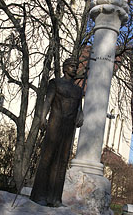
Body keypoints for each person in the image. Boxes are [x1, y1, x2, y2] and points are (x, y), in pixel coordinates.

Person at [30, 58, 83, 207]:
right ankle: (39, 195)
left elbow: (79, 108)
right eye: (72, 66)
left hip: (69, 127)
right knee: (48, 157)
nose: (75, 69)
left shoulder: (78, 90)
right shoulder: (56, 83)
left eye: (76, 67)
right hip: (55, 122)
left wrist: (81, 115)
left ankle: (55, 198)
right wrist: (42, 117)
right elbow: (48, 100)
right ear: (65, 68)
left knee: (62, 161)